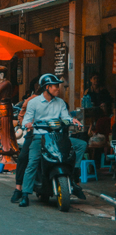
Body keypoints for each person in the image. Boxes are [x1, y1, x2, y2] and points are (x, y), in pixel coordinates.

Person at [18, 74, 87, 208]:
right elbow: (26, 120)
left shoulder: (60, 102)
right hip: (39, 137)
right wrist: (28, 124)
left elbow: (66, 118)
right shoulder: (33, 102)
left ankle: (74, 171)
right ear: (47, 87)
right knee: (32, 162)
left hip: (58, 137)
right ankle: (25, 194)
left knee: (81, 145)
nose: (58, 88)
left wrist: (73, 120)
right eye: (55, 86)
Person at [11, 90, 39, 203]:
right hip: (33, 134)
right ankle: (18, 188)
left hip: (50, 134)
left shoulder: (56, 102)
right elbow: (21, 115)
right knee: (23, 157)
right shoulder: (32, 100)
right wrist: (28, 125)